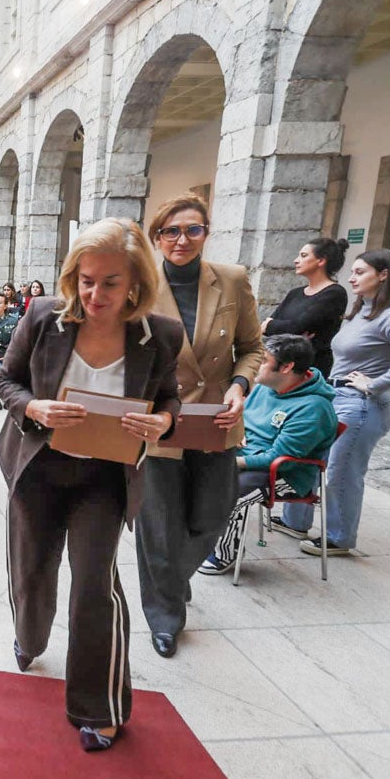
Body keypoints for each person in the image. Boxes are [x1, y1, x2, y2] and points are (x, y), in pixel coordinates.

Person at [0, 217, 181, 751]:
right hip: (40, 469)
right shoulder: (42, 317)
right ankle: (28, 639)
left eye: (111, 283)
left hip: (104, 475)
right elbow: (6, 379)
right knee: (32, 571)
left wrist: (163, 422)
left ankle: (98, 706)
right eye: (86, 279)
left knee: (95, 585)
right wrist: (31, 405)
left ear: (137, 284)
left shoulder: (160, 334)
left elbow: (170, 398)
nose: (95, 294)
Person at [134, 193, 263, 659]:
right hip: (161, 421)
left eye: (193, 229)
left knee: (213, 515)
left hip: (216, 418)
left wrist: (240, 386)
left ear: (206, 233)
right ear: (157, 237)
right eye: (171, 231)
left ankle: (169, 581)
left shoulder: (231, 280)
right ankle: (165, 616)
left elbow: (252, 346)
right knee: (160, 527)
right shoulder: (140, 284)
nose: (181, 239)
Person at [274, 249, 390, 557]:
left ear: (383, 275)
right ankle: (295, 520)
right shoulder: (365, 309)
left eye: (360, 272)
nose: (352, 278)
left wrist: (375, 384)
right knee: (311, 456)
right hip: (338, 398)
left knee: (342, 473)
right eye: (353, 272)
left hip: (361, 405)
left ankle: (340, 537)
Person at [198, 335, 339, 577]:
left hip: (288, 473)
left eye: (263, 360)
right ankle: (197, 537)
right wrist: (237, 432)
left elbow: (278, 458)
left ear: (286, 367)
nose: (255, 366)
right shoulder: (265, 386)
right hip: (248, 454)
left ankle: (225, 553)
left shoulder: (313, 408)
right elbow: (244, 417)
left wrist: (232, 463)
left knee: (227, 489)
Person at [261, 237, 349, 379]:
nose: (296, 260)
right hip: (281, 364)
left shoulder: (334, 293)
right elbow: (268, 326)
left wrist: (277, 328)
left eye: (303, 256)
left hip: (310, 367)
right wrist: (293, 335)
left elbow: (297, 326)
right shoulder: (295, 293)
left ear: (321, 260)